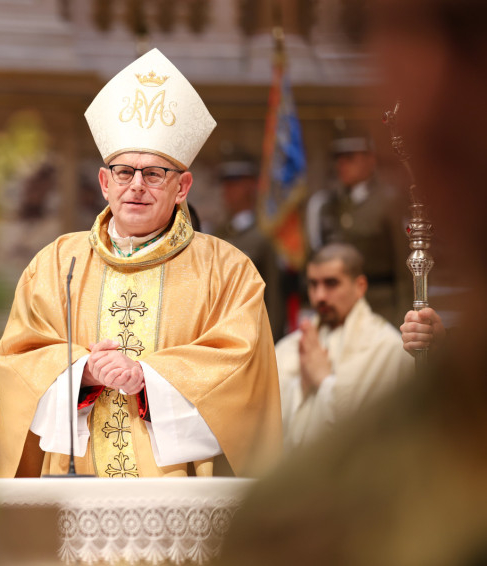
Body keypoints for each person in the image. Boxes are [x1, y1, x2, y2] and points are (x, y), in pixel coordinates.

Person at [217, 0, 487, 563]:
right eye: (366, 35)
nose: (426, 107)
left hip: (386, 307)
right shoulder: (309, 509)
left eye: (466, 32)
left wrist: (412, 316)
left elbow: (403, 263)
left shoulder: (385, 209)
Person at [0, 48, 282, 479]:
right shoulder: (55, 264)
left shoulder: (228, 271)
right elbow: (17, 362)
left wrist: (149, 379)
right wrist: (81, 372)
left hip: (176, 491)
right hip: (75, 483)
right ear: (104, 182)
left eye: (154, 174)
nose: (137, 186)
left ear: (182, 187)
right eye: (124, 172)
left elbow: (243, 377)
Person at [276, 243, 412, 450]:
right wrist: (302, 385)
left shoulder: (387, 347)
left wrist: (323, 380)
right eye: (313, 284)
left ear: (360, 286)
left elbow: (373, 434)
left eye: (331, 283)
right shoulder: (291, 346)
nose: (320, 296)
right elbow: (266, 431)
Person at [306, 134, 410, 326]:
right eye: (339, 159)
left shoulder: (389, 202)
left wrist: (403, 316)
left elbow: (405, 266)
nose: (342, 165)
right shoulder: (330, 204)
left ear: (370, 160)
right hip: (340, 308)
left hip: (380, 307)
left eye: (350, 158)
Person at [214, 157, 285, 340]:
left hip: (251, 331)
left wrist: (271, 338)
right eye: (226, 184)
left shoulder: (263, 236)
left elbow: (273, 295)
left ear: (251, 185)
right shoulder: (217, 233)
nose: (228, 190)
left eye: (235, 183)